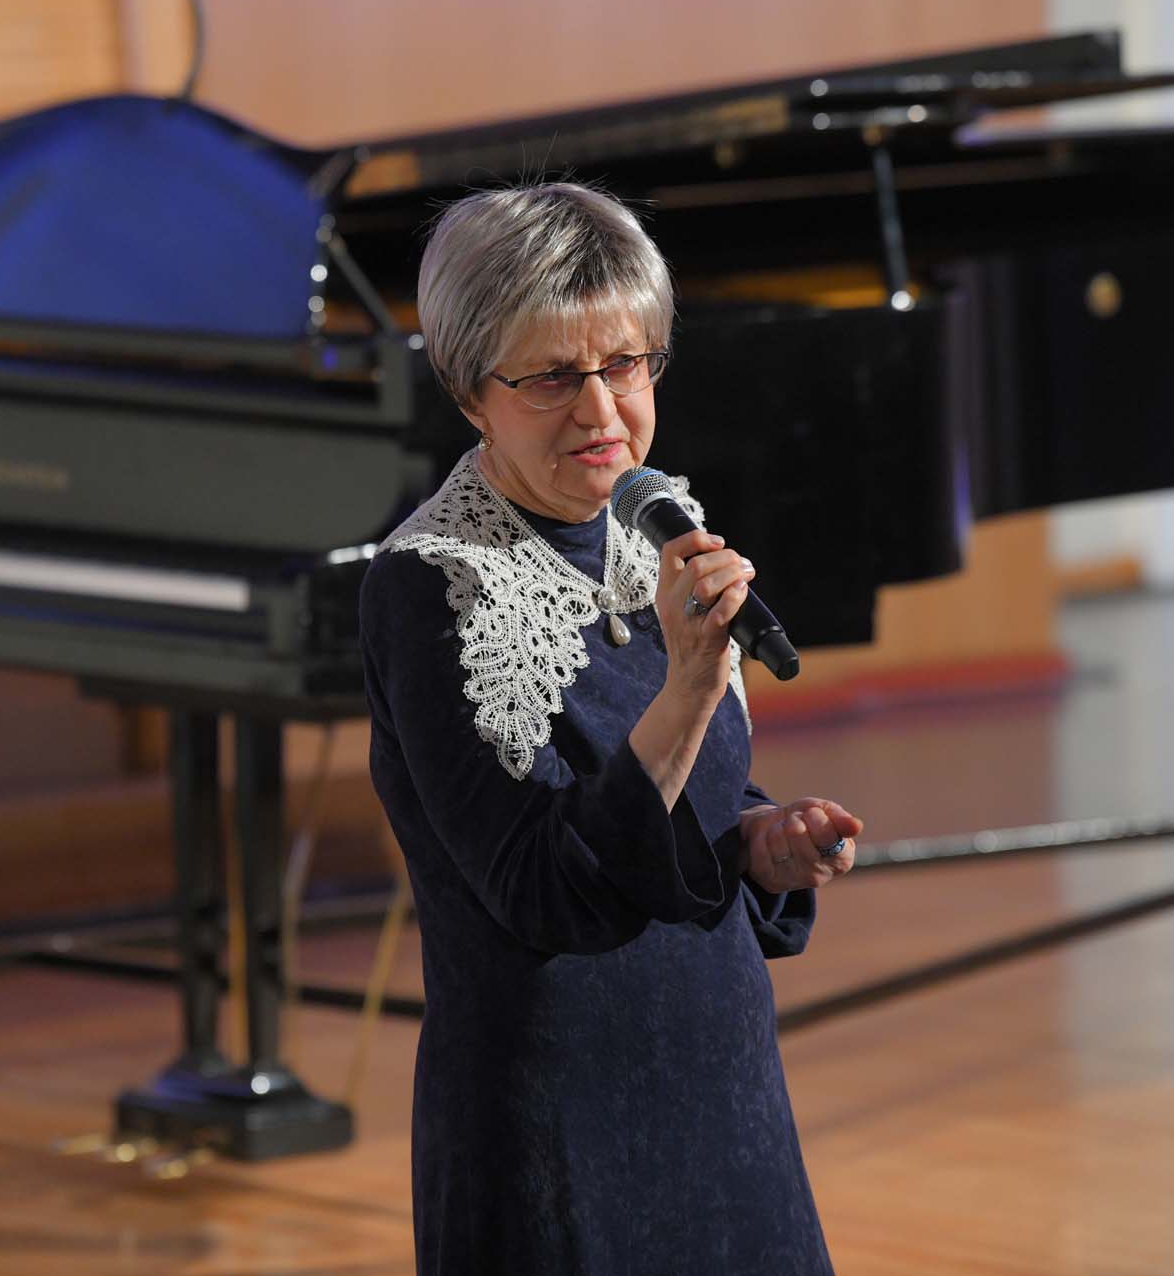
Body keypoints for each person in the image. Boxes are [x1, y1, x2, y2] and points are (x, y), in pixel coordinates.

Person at [360, 182, 863, 1276]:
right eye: (551, 377)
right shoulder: (432, 586)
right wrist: (689, 685)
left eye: (625, 365)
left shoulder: (655, 524)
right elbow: (547, 887)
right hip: (556, 1124)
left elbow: (679, 805)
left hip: (725, 1097)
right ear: (469, 389)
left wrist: (757, 839)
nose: (601, 414)